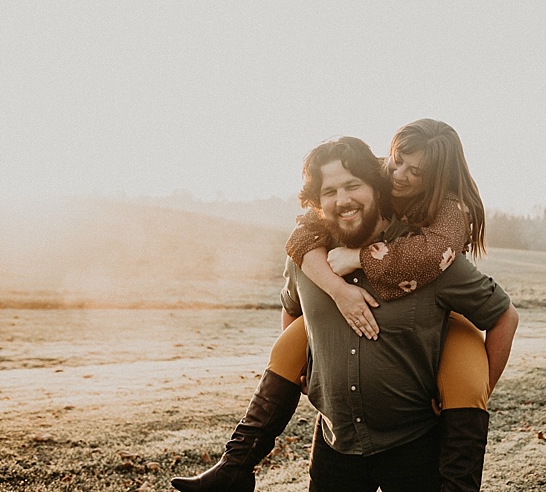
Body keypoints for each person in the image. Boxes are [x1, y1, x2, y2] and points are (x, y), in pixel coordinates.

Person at [172, 125, 513, 492]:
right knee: (293, 342)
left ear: (375, 189)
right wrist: (311, 355)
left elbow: (501, 314)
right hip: (337, 444)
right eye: (398, 162)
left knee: (465, 378)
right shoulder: (312, 251)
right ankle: (234, 469)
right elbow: (295, 309)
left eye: (415, 171)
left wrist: (478, 391)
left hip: (412, 444)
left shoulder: (439, 242)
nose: (400, 175)